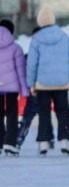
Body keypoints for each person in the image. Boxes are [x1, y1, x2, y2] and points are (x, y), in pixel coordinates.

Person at [26, 6, 69, 156]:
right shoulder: (64, 36)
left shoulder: (37, 39)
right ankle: (65, 141)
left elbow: (32, 64)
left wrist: (31, 83)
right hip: (61, 83)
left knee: (44, 113)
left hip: (42, 83)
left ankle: (43, 143)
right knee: (63, 112)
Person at [17, 27, 55, 149]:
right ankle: (49, 139)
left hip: (34, 89)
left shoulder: (31, 54)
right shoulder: (48, 53)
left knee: (29, 116)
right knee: (45, 115)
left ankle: (20, 137)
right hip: (43, 89)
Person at [0, 19, 30, 156]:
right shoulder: (16, 48)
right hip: (12, 86)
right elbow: (21, 71)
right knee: (12, 114)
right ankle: (10, 143)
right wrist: (25, 90)